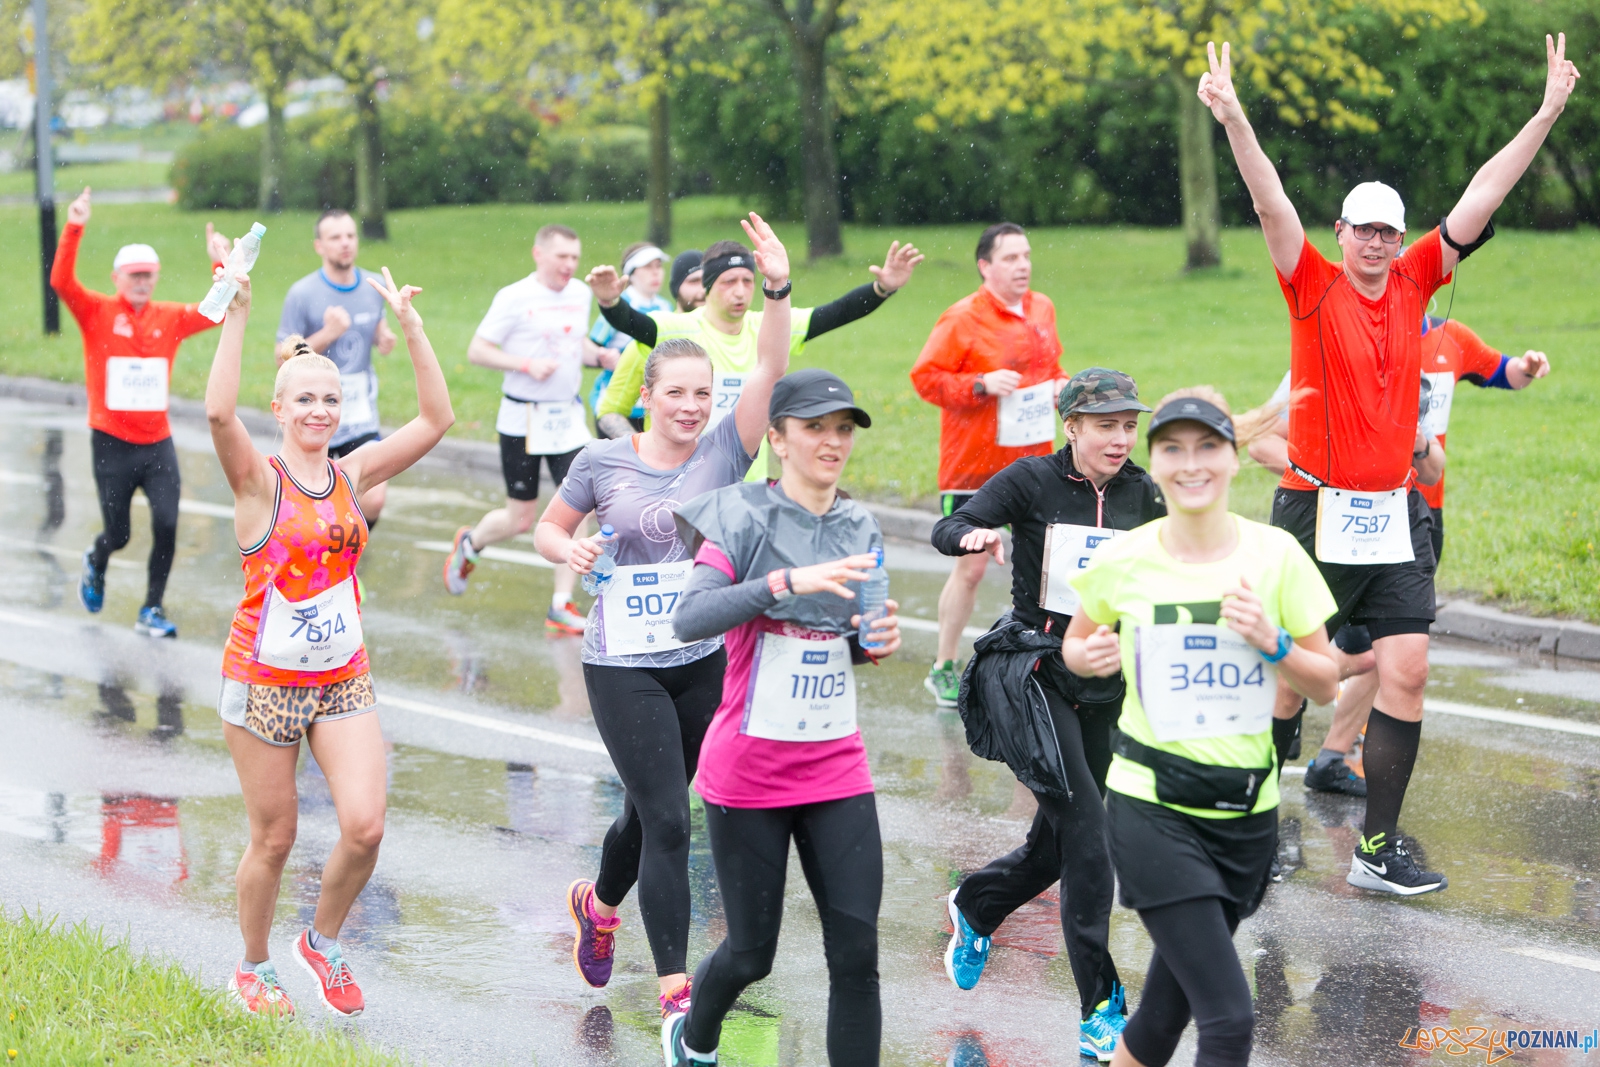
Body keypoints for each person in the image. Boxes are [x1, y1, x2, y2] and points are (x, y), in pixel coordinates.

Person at [1200, 32, 1580, 894]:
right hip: (1314, 507)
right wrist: (1234, 118)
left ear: (1401, 238)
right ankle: (1254, 821)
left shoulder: (1416, 280)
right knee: (1294, 674)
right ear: (1341, 233)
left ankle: (1377, 848)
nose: (1376, 243)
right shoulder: (1312, 283)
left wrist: (1545, 114)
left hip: (1395, 508)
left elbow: (1481, 196)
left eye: (1388, 231)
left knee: (1406, 667)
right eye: (1363, 230)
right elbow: (1269, 205)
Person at [532, 213, 793, 1019]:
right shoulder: (602, 460)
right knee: (672, 821)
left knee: (650, 811)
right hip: (622, 663)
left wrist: (776, 288)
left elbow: (773, 368)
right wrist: (565, 553)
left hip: (700, 659)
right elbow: (550, 524)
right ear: (646, 397)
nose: (690, 406)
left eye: (701, 395)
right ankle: (678, 990)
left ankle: (599, 904)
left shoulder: (724, 448)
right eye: (674, 393)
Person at [204, 265, 453, 1017]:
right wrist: (238, 314)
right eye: (304, 399)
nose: (319, 409)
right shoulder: (258, 483)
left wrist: (409, 325)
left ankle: (321, 939)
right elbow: (218, 414)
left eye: (330, 400)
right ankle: (253, 966)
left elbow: (436, 420)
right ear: (279, 408)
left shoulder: (353, 472)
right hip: (264, 680)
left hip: (341, 674)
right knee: (275, 838)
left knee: (365, 825)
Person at [1064, 388, 1339, 1067]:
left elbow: (1326, 680)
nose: (1192, 463)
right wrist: (1086, 656)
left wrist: (1272, 641)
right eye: (1173, 448)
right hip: (1150, 806)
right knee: (1229, 1016)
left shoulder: (1276, 555)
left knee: (1161, 1016)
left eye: (1208, 446)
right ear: (1153, 463)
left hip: (1246, 813)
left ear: (1234, 460)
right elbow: (1076, 641)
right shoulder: (1124, 558)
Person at [662, 368, 904, 1067]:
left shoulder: (859, 524)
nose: (832, 442)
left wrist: (873, 641)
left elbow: (857, 638)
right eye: (815, 428)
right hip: (749, 774)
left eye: (843, 429)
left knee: (857, 953)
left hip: (836, 767)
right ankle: (696, 1039)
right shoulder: (739, 517)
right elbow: (690, 616)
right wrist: (782, 582)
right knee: (749, 953)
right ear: (778, 438)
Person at [930, 368, 1165, 1062]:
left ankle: (977, 904)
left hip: (1105, 678)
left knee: (1059, 841)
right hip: (1036, 671)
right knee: (1091, 831)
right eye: (1105, 425)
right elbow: (954, 521)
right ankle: (1100, 1007)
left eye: (1128, 425)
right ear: (1072, 427)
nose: (1120, 438)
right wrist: (971, 538)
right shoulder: (1032, 481)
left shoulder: (1142, 492)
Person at [53, 185, 230, 639]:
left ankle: (151, 608)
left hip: (157, 443)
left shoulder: (167, 317)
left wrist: (220, 261)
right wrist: (74, 226)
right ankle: (97, 558)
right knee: (120, 534)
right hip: (111, 442)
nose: (142, 282)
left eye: (148, 275)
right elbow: (61, 283)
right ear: (116, 278)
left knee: (168, 524)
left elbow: (216, 312)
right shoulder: (96, 312)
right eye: (133, 275)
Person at [911, 222, 1067, 709]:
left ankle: (1042, 661)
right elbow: (925, 378)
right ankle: (944, 665)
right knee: (972, 570)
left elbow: (1053, 367)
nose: (1022, 266)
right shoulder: (962, 318)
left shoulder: (1042, 307)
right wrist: (979, 384)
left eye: (1026, 256)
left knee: (1044, 570)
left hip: (1036, 462)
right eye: (1010, 258)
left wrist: (1062, 385)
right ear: (985, 266)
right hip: (974, 466)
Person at [587, 236, 923, 452]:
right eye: (729, 281)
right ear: (707, 287)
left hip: (748, 482)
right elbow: (630, 323)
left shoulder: (768, 326)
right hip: (683, 478)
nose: (740, 291)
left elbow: (835, 314)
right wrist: (609, 303)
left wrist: (882, 289)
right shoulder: (677, 328)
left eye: (748, 281)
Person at [442, 224, 610, 634]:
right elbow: (477, 351)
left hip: (565, 419)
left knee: (580, 506)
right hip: (522, 418)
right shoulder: (514, 297)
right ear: (539, 254)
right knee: (521, 519)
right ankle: (472, 542)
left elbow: (575, 343)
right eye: (562, 257)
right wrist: (525, 365)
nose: (570, 266)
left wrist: (601, 355)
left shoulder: (580, 294)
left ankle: (560, 604)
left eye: (575, 257)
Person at [276, 209, 399, 524]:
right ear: (319, 246)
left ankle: (348, 556)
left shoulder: (372, 287)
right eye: (335, 237)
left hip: (358, 411)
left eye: (350, 235)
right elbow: (282, 358)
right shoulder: (302, 294)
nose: (345, 243)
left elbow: (374, 325)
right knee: (308, 502)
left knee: (373, 499)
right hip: (314, 409)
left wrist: (382, 337)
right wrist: (328, 333)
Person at [588, 243, 674, 434]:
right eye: (648, 267)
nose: (656, 273)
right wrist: (604, 357)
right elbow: (590, 349)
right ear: (631, 273)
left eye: (658, 266)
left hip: (649, 407)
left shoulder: (666, 306)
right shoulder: (616, 306)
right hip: (615, 406)